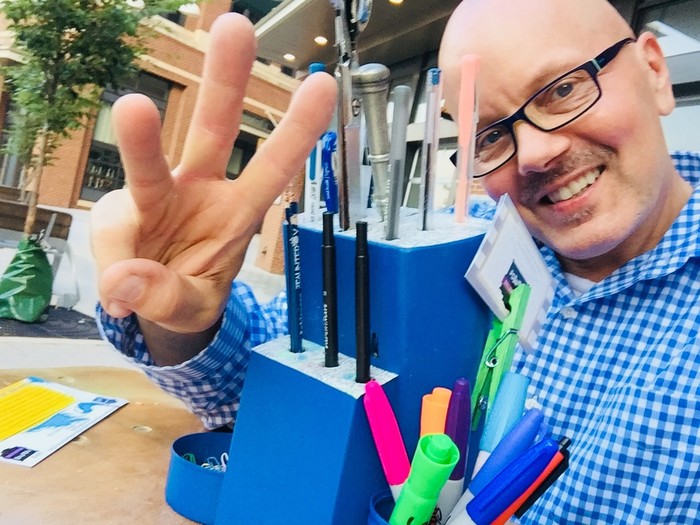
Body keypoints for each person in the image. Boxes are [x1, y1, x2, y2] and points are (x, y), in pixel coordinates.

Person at [91, 1, 699, 523]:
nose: (536, 153)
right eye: (489, 135)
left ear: (654, 71)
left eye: (564, 88)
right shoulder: (463, 246)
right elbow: (254, 393)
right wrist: (184, 315)